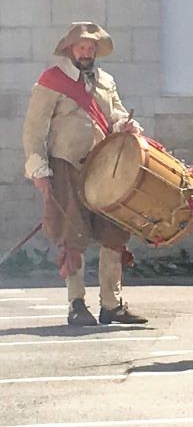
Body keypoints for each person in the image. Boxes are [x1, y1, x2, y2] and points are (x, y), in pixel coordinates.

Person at [22, 22, 147, 327]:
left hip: (104, 169)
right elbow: (34, 129)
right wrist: (38, 167)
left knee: (113, 234)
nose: (87, 52)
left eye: (91, 48)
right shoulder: (52, 81)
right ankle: (77, 304)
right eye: (81, 47)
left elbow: (114, 113)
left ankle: (111, 305)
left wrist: (124, 125)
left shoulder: (105, 80)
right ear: (70, 49)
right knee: (72, 235)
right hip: (66, 167)